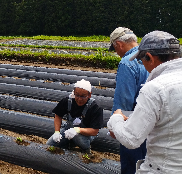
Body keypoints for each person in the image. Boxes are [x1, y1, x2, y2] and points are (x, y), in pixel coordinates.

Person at [108, 30, 182, 173]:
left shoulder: (154, 88)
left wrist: (115, 120)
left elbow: (131, 138)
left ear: (149, 57)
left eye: (142, 60)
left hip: (161, 167)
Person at [109, 27, 149, 174]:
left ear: (119, 44)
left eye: (115, 48)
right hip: (152, 124)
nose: (117, 52)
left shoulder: (127, 63)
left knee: (132, 165)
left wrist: (116, 124)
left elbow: (124, 101)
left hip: (134, 124)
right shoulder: (152, 57)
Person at [46, 79, 103, 154]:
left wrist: (78, 130)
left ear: (89, 95)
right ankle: (68, 145)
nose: (79, 99)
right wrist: (57, 132)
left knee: (77, 136)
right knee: (50, 145)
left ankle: (86, 150)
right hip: (68, 129)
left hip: (86, 134)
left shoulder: (95, 107)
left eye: (83, 96)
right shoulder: (67, 101)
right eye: (77, 95)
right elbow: (58, 115)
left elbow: (94, 131)